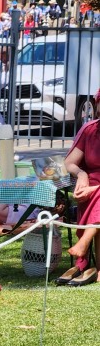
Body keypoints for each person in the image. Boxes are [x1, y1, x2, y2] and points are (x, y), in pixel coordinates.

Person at [61, 86, 100, 285]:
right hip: (91, 190)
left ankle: (83, 244)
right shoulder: (90, 129)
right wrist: (81, 174)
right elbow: (70, 163)